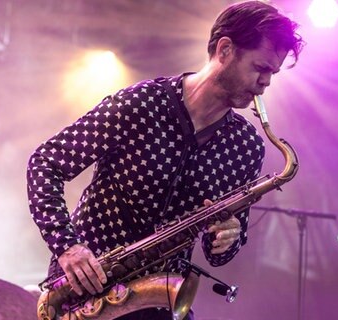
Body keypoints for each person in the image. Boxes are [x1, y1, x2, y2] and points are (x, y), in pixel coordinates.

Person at [27, 1, 304, 319]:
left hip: (159, 301)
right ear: (225, 49)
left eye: (273, 73)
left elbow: (223, 251)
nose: (267, 82)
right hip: (87, 295)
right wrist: (67, 247)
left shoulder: (246, 148)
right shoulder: (140, 103)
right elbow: (45, 163)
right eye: (261, 68)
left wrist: (228, 237)